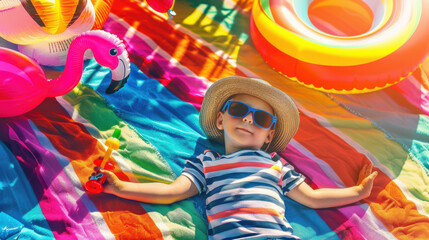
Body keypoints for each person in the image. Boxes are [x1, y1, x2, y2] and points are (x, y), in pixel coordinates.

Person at [100, 76, 378, 239]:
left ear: (268, 137)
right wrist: (120, 187)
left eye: (261, 118)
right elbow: (171, 192)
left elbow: (313, 198)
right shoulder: (206, 162)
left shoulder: (275, 164)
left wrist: (356, 192)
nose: (247, 118)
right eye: (238, 109)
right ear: (220, 120)